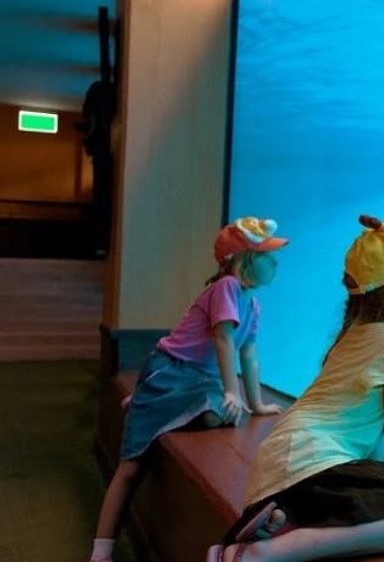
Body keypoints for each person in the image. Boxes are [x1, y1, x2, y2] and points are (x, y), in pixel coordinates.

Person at [207, 208, 384, 562]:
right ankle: (259, 554)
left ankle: (288, 520)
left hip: (288, 467)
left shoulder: (354, 335)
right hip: (314, 465)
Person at [88, 217, 289, 562]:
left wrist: (255, 404)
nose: (275, 262)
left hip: (202, 380)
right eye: (267, 255)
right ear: (244, 260)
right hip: (171, 373)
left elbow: (248, 354)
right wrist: (232, 392)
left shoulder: (252, 304)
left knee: (220, 417)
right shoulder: (226, 287)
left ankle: (146, 403)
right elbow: (223, 339)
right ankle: (100, 552)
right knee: (132, 467)